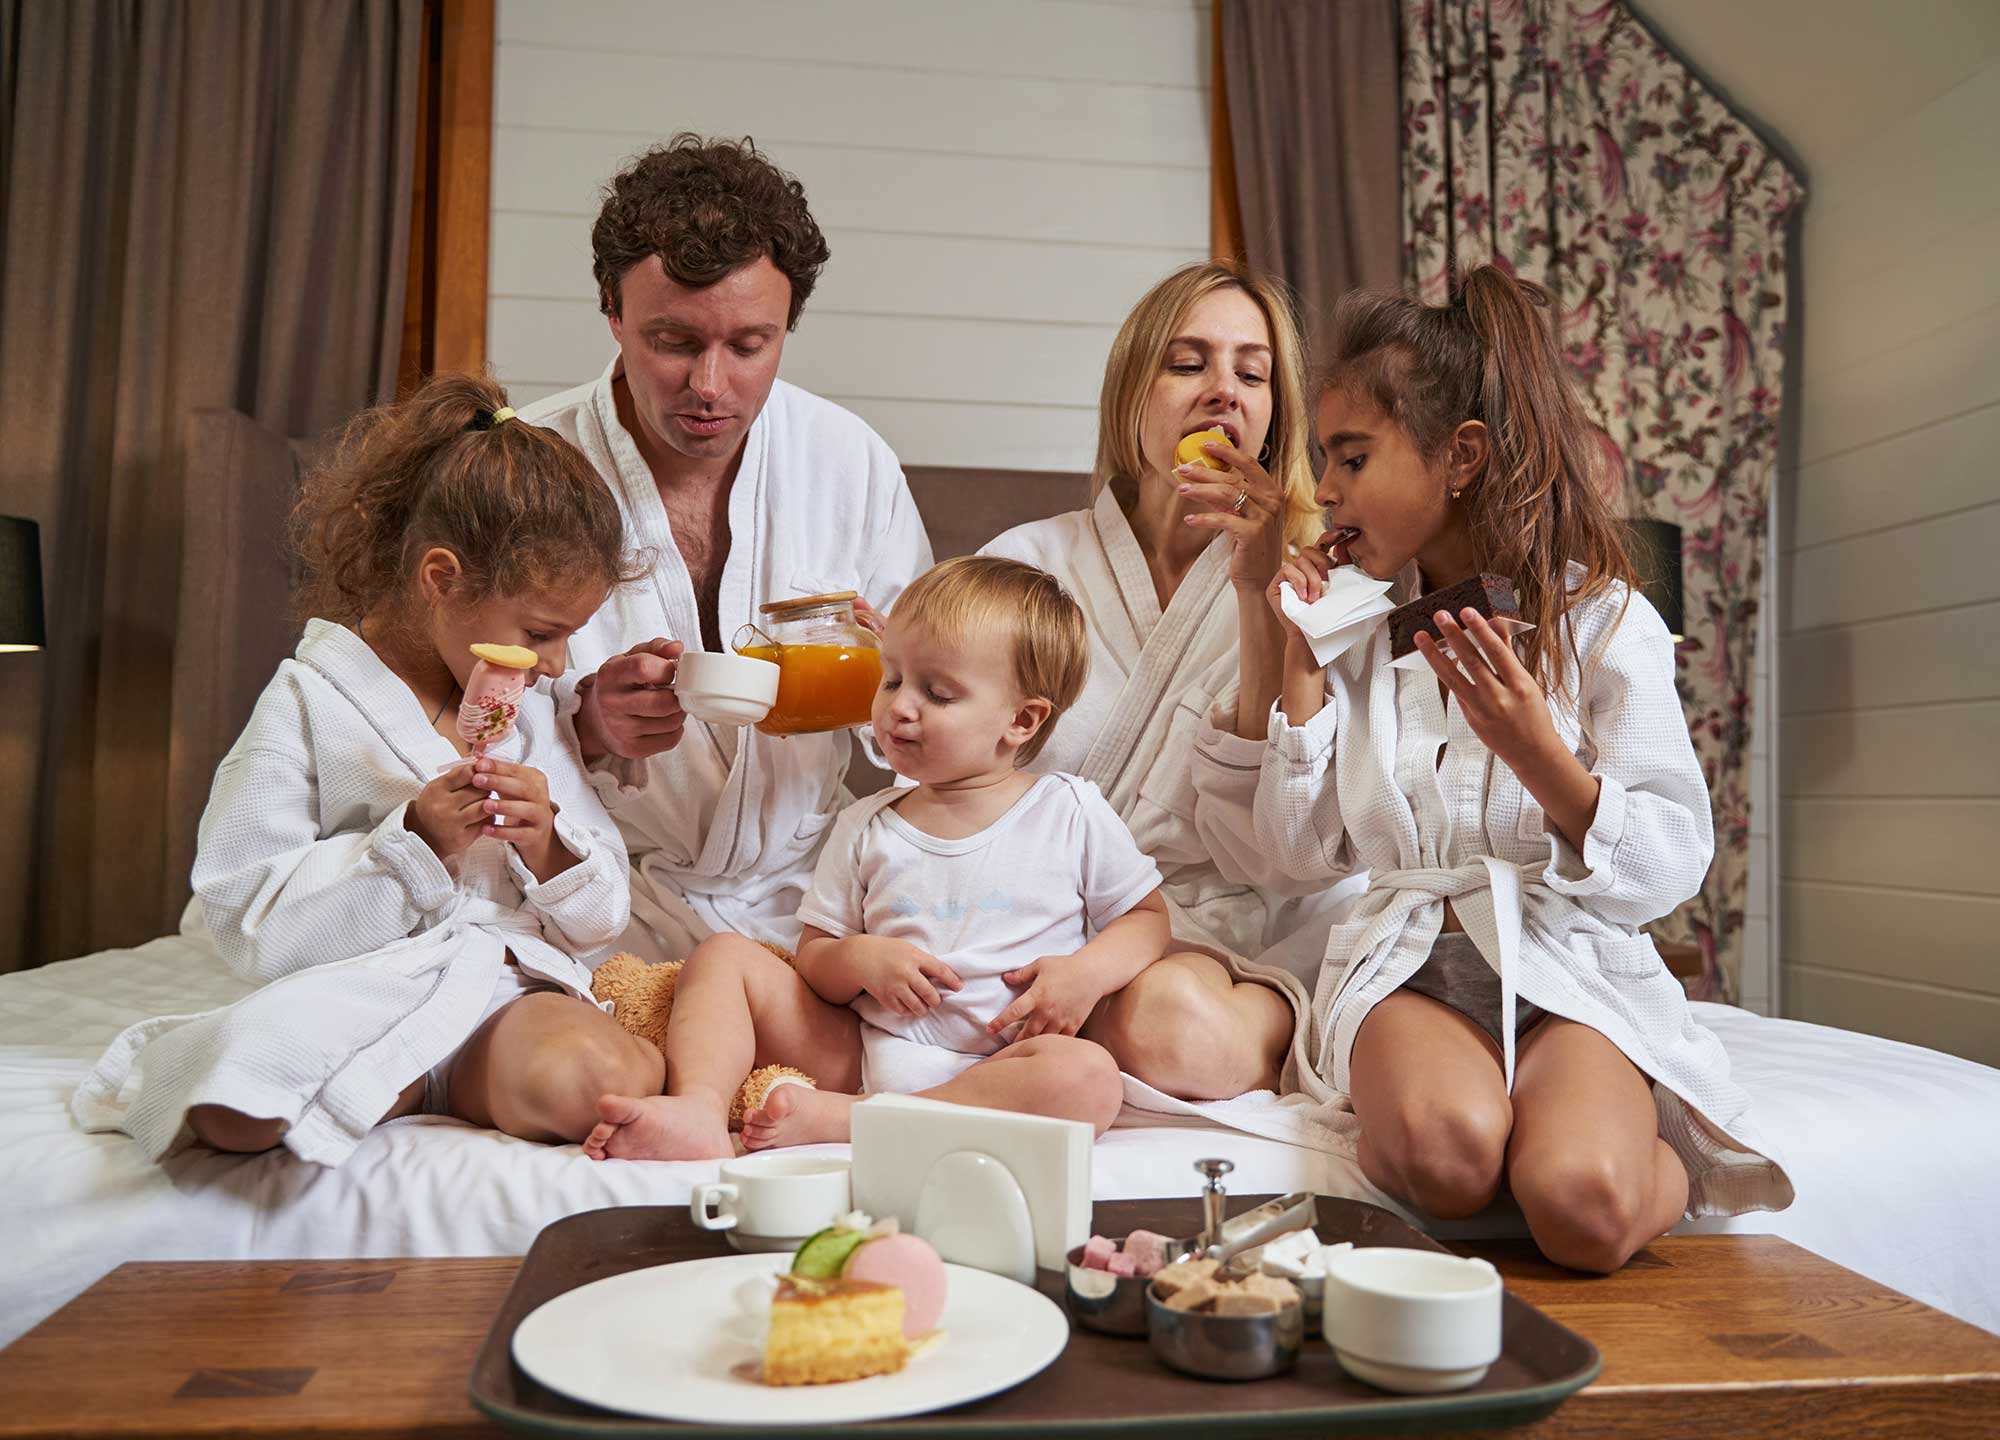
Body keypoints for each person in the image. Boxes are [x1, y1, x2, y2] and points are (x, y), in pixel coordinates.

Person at [1250, 266, 1792, 1271]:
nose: (1322, 489)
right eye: (1323, 459)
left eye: (1351, 456)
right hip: (1410, 971)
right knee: (1449, 1161)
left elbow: (1670, 865)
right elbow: (1288, 860)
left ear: (1457, 457)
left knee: (1581, 1211)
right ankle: (1444, 1113)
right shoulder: (1355, 641)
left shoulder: (1608, 624)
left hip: (1566, 970)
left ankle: (1681, 1162)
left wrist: (1541, 759)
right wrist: (1298, 655)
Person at [71, 376, 662, 1165]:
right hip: (356, 983)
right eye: (541, 631)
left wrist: (549, 844)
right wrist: (412, 842)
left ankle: (433, 1073)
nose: (559, 662)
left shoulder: (536, 710)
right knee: (233, 1104)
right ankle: (413, 1075)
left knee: (598, 1079)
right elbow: (245, 914)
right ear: (442, 577)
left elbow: (601, 915)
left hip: (500, 991)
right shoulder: (307, 701)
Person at [582, 556, 1152, 1161]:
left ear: (1021, 719)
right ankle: (697, 1107)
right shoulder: (867, 824)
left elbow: (1146, 919)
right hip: (865, 1045)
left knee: (1089, 1078)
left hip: (1002, 1058)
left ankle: (856, 1120)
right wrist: (863, 958)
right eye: (891, 680)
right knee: (723, 954)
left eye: (936, 692)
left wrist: (1086, 974)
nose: (900, 707)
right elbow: (816, 960)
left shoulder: (1069, 811)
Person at [521, 134, 932, 963]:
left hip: (802, 905)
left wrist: (898, 680)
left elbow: (930, 717)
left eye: (749, 346)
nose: (711, 386)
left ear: (788, 326)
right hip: (589, 897)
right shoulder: (523, 470)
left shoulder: (848, 462)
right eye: (673, 342)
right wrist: (587, 726)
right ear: (613, 312)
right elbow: (441, 726)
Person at [979, 261, 1355, 1103]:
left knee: (1170, 1025)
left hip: (1238, 941)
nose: (1224, 390)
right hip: (1050, 929)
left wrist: (1261, 596)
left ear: (1272, 416)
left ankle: (1297, 1041)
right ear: (1131, 396)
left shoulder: (1326, 588)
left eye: (1251, 374)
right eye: (1189, 364)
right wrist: (905, 677)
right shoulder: (1024, 565)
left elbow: (1287, 848)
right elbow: (948, 770)